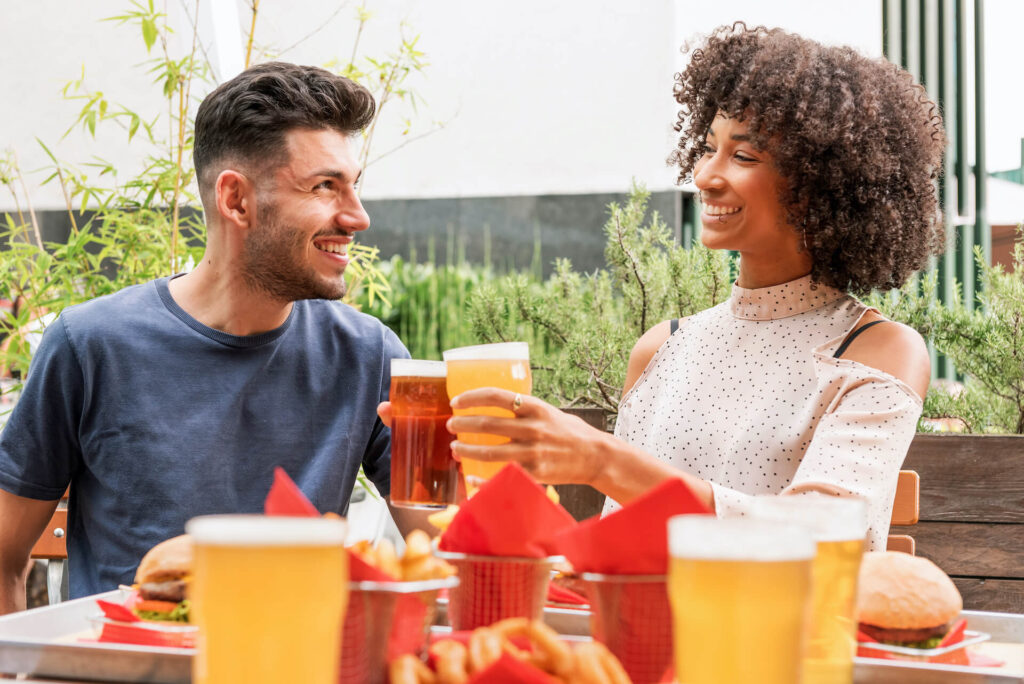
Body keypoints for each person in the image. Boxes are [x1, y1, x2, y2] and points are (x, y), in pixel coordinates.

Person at [396, 25, 944, 550]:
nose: (705, 175)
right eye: (709, 147)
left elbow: (823, 535)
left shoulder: (875, 351)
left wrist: (600, 459)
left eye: (744, 155)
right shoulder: (664, 348)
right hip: (642, 634)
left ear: (824, 184)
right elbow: (624, 540)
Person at [0, 62, 425, 613]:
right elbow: (4, 554)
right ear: (236, 200)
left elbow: (447, 544)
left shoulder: (369, 355)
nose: (357, 217)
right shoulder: (90, 346)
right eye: (325, 186)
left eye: (354, 186)